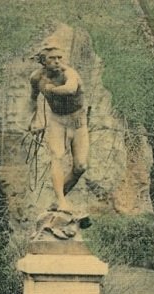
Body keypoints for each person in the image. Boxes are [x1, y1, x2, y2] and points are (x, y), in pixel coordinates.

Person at [28, 47, 90, 214]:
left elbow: (70, 89)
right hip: (57, 121)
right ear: (43, 61)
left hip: (77, 121)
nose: (57, 61)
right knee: (57, 156)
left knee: (81, 166)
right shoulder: (36, 78)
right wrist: (34, 120)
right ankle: (62, 202)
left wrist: (51, 90)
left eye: (59, 57)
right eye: (52, 58)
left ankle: (58, 200)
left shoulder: (69, 73)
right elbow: (33, 99)